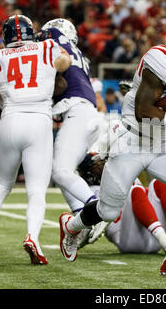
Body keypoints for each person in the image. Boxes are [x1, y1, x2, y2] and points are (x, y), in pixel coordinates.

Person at [58, 12, 166, 280]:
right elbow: (143, 109)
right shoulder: (160, 59)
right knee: (108, 211)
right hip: (133, 140)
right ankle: (72, 225)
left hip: (162, 143)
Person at [0, 15, 71, 265]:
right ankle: (32, 238)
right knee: (36, 190)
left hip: (10, 119)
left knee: (2, 185)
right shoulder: (46, 47)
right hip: (39, 120)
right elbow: (65, 63)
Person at [38, 18, 108, 241]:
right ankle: (80, 216)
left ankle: (95, 211)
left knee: (60, 171)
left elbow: (58, 76)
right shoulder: (79, 54)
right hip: (87, 115)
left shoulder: (55, 43)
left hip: (77, 113)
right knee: (63, 171)